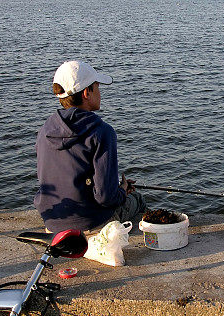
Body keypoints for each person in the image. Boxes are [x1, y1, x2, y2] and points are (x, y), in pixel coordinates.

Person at [34, 60, 145, 233]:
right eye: (97, 87)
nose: (100, 93)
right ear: (87, 93)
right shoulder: (102, 132)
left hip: (53, 222)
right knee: (138, 200)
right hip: (90, 223)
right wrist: (123, 190)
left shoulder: (45, 130)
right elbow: (106, 198)